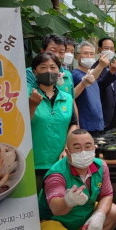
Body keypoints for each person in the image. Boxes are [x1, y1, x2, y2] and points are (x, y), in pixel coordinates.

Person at [28, 52, 78, 188]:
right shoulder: (26, 95)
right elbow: (20, 126)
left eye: (53, 67)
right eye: (43, 68)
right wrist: (32, 105)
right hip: (34, 163)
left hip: (61, 163)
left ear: (59, 70)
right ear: (35, 72)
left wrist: (67, 148)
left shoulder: (67, 98)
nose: (49, 71)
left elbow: (73, 124)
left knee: (58, 202)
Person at [71, 41, 111, 137]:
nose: (89, 56)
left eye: (92, 54)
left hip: (98, 123)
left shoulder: (92, 75)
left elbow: (92, 77)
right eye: (85, 53)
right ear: (77, 56)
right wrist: (101, 65)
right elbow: (87, 80)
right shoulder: (75, 74)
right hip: (85, 125)